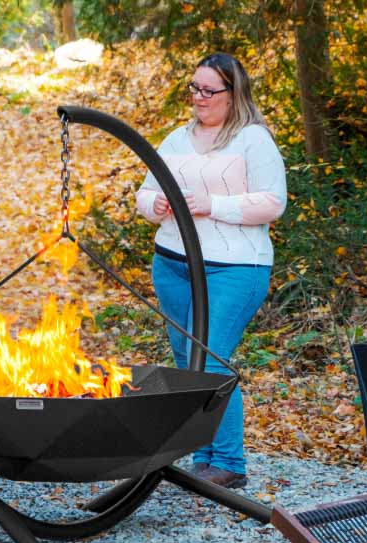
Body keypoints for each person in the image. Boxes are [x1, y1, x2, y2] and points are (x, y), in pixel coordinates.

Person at [136, 52, 286, 488]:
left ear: (232, 93)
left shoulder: (253, 140)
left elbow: (273, 203)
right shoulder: (176, 138)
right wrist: (156, 205)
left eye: (209, 91)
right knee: (187, 363)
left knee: (213, 363)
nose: (199, 98)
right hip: (172, 265)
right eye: (194, 88)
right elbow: (143, 195)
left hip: (234, 268)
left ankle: (230, 463)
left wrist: (213, 206)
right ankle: (205, 458)